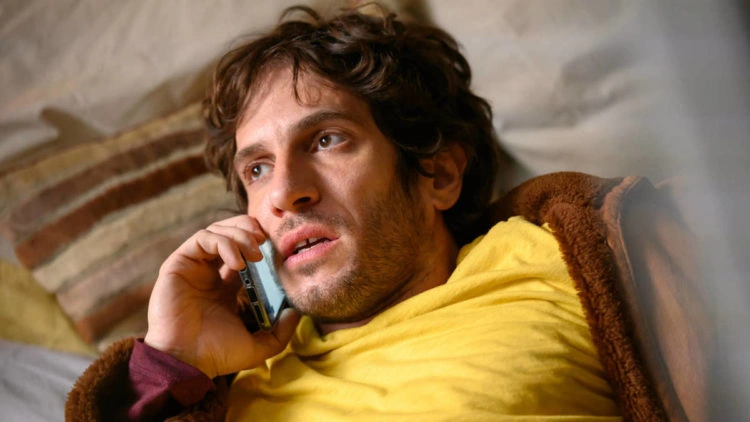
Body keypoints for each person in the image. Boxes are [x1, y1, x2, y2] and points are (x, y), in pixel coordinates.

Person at [67, 4, 685, 421]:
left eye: (326, 140)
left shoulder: (565, 256)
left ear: (439, 175)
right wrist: (170, 362)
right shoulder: (223, 373)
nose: (284, 192)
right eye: (256, 169)